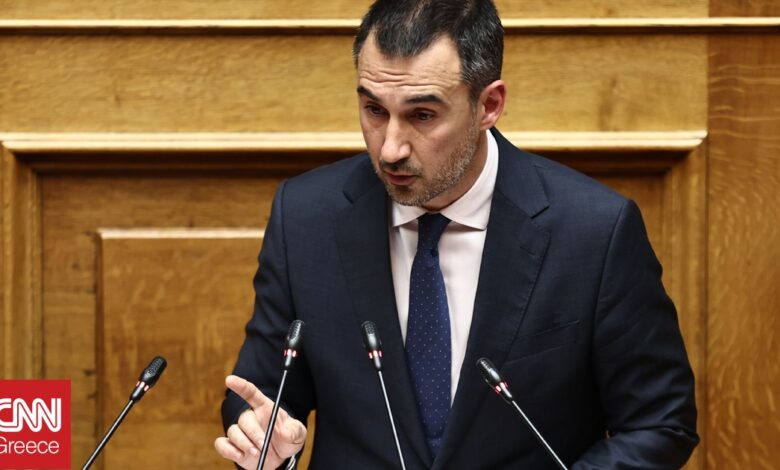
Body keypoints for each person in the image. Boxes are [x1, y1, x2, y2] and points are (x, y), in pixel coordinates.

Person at [215, 0, 699, 468]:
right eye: (374, 110)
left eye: (422, 115)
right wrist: (267, 443)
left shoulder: (594, 232)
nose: (390, 149)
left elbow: (660, 423)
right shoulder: (306, 217)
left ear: (489, 105)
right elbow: (262, 393)